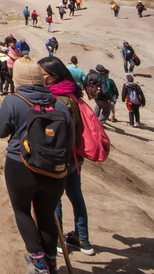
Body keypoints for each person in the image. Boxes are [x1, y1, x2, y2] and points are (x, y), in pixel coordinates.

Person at [0, 57, 74, 274]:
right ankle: (51, 262)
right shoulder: (59, 102)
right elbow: (71, 141)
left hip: (21, 165)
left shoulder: (12, 100)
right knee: (47, 213)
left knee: (22, 211)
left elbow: (0, 131)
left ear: (17, 78)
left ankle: (38, 264)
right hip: (55, 170)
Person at [40, 56, 96, 257]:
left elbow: (60, 131)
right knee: (76, 196)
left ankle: (57, 239)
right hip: (75, 157)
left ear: (53, 76)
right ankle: (84, 240)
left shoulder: (59, 98)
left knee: (55, 199)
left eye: (42, 75)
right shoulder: (71, 92)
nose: (40, 78)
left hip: (61, 157)